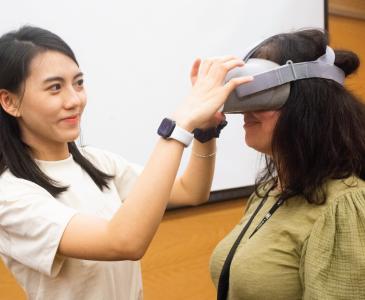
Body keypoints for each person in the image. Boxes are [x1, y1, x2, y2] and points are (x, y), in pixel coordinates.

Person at [0, 26, 252, 299]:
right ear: (10, 102)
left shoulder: (97, 162)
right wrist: (180, 124)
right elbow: (124, 242)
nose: (74, 100)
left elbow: (192, 191)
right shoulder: (10, 196)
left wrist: (204, 131)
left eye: (79, 82)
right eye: (55, 88)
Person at [210, 29, 365, 300]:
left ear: (307, 103)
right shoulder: (271, 191)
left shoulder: (343, 207)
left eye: (262, 94)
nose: (246, 111)